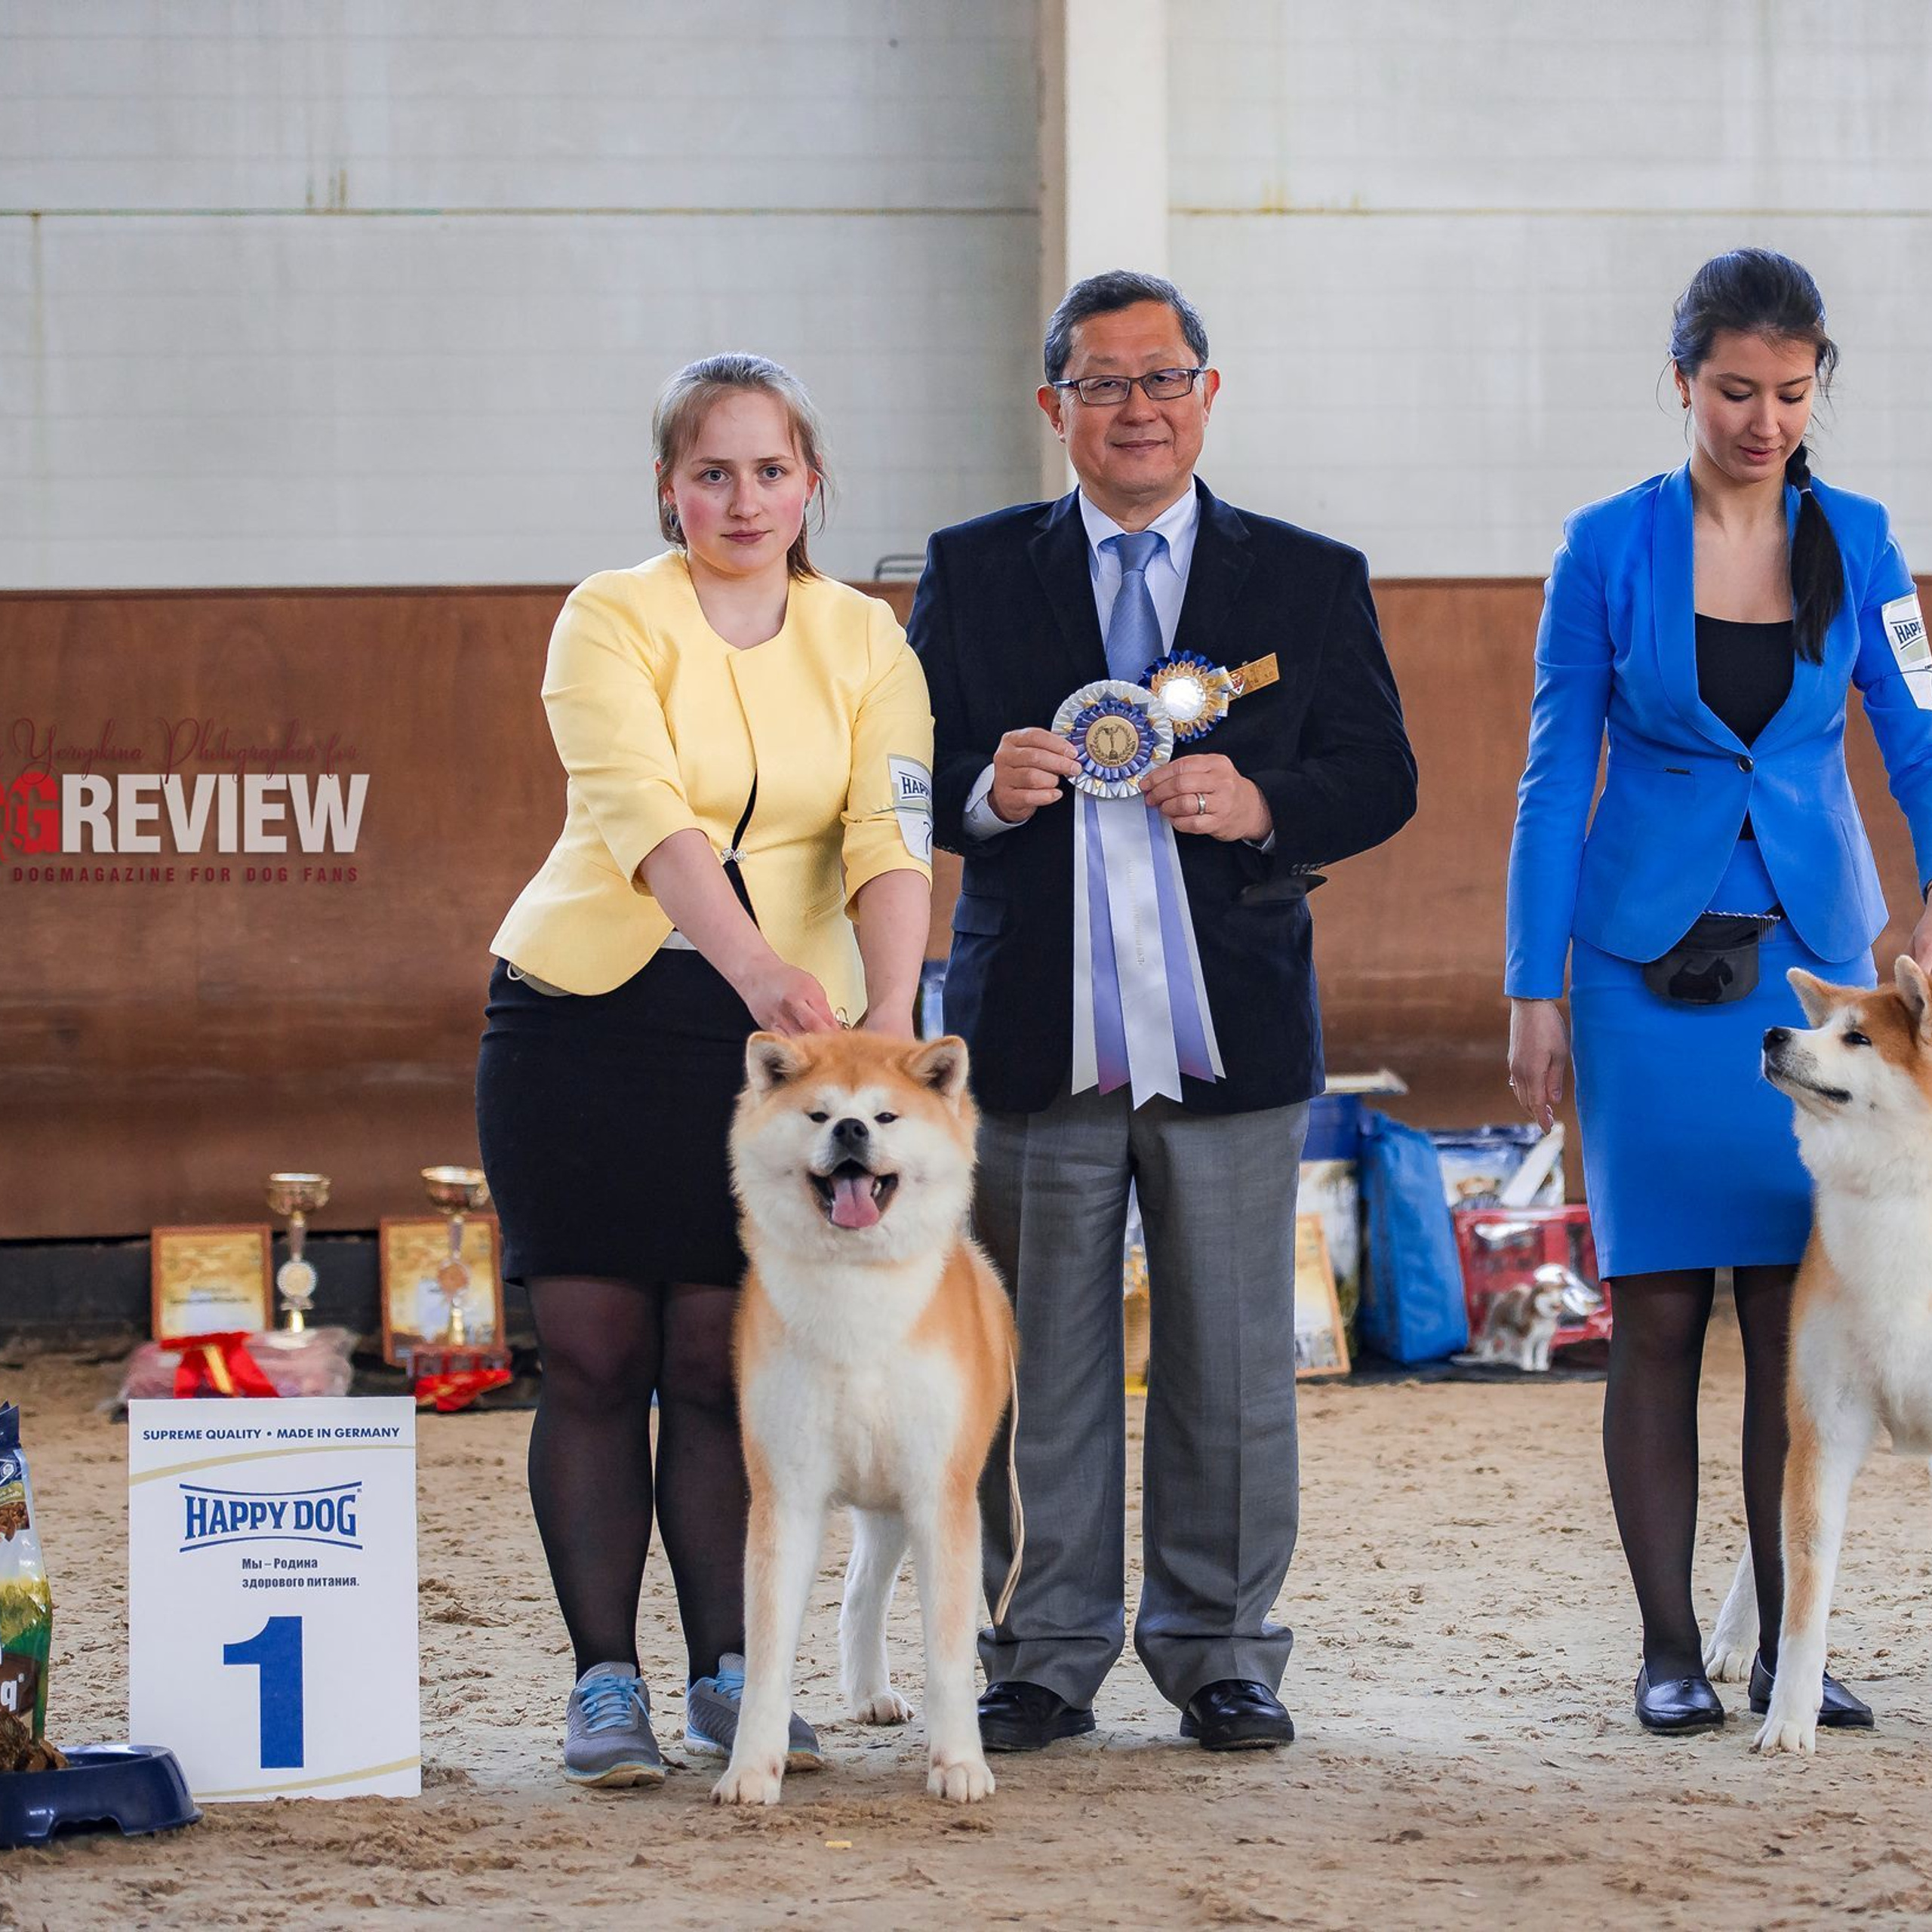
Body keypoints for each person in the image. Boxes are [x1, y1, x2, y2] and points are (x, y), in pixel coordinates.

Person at [912, 270, 1416, 1752]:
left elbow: (1378, 774)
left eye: (1160, 376)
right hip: (1027, 1027)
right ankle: (1037, 1649)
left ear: (1207, 392)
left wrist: (1265, 798)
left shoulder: (1308, 577)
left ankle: (1220, 1647)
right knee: (1031, 1354)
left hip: (1234, 1024)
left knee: (1232, 1354)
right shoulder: (969, 565)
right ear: (1050, 403)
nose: (1134, 405)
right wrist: (973, 792)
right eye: (1102, 380)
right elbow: (902, 765)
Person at [476, 353, 934, 1786]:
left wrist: (890, 1034)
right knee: (601, 1356)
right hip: (587, 1023)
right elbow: (641, 811)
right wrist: (755, 976)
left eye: (774, 469)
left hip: (790, 1056)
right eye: (714, 472)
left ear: (814, 484)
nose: (747, 499)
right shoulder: (609, 617)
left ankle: (735, 1677)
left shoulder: (867, 639)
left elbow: (888, 832)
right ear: (669, 487)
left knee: (724, 1363)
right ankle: (604, 1685)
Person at [1506, 248, 1932, 1734]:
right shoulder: (1601, 546)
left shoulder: (1863, 541)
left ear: (1816, 384)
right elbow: (1556, 766)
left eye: (1790, 392)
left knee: (1786, 1309)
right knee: (1656, 1311)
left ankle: (1786, 1651)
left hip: (1813, 969)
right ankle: (1667, 1649)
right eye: (1733, 390)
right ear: (1678, 380)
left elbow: (1916, 739)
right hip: (1635, 975)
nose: (1762, 419)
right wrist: (1530, 984)